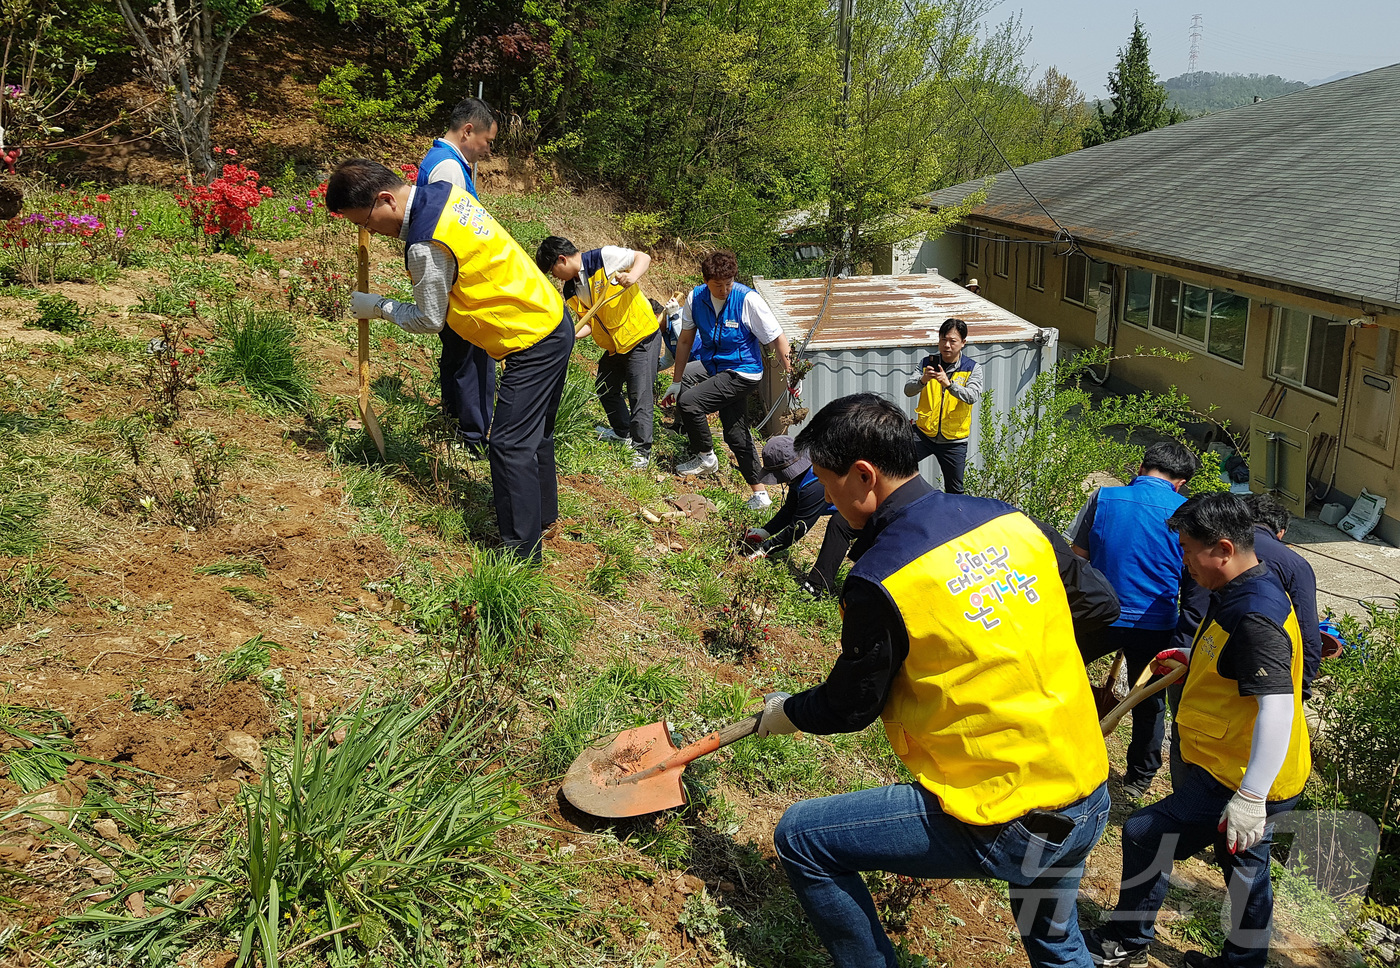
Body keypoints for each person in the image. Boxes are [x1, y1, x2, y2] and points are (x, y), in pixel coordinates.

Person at [759, 393, 1111, 968]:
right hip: (1084, 791)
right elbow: (1100, 603)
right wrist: (1012, 638)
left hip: (1004, 814)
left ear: (863, 476)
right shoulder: (1011, 521)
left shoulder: (881, 577)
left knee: (802, 838)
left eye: (826, 482)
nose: (824, 498)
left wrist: (786, 712)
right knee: (1054, 941)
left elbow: (851, 707)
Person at [1084, 493, 1311, 968]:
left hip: (1241, 771)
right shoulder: (1243, 587)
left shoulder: (1255, 615)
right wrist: (1194, 659)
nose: (1183, 561)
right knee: (1243, 864)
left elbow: (1278, 707)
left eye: (1188, 549)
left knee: (1147, 833)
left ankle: (1127, 941)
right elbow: (1234, 660)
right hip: (1243, 762)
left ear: (1224, 549)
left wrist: (1250, 797)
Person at [331, 159, 571, 563]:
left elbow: (429, 319)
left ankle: (521, 556)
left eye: (367, 222)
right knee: (536, 433)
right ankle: (544, 516)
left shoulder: (426, 242)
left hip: (532, 340)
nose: (368, 232)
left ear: (386, 199)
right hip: (550, 315)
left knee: (509, 445)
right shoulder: (444, 194)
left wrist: (378, 306)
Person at [1070, 440, 1201, 801]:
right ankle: (1139, 779)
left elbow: (1077, 558)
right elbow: (1193, 577)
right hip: (1156, 621)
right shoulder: (1188, 511)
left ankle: (1062, 746)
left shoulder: (1103, 498)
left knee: (1062, 675)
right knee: (1148, 700)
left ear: (1141, 468)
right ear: (1180, 482)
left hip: (1099, 614)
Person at [660, 250, 792, 511]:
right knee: (735, 433)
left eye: (728, 283)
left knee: (689, 402)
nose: (724, 290)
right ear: (706, 281)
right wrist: (676, 381)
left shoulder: (747, 300)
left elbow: (777, 338)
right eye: (718, 285)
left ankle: (706, 458)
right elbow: (685, 340)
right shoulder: (696, 298)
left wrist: (791, 374)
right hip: (716, 368)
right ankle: (761, 495)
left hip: (744, 372)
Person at [417, 98, 500, 457]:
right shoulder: (449, 169)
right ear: (468, 130)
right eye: (488, 140)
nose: (488, 149)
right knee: (474, 360)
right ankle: (473, 436)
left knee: (456, 356)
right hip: (459, 282)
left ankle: (455, 424)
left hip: (451, 280)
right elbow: (447, 234)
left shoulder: (441, 163)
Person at [535, 236, 659, 468]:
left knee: (639, 394)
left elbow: (643, 257)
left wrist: (632, 277)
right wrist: (566, 335)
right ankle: (624, 433)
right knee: (606, 386)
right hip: (615, 345)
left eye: (553, 271)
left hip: (640, 335)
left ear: (562, 259)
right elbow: (589, 323)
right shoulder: (571, 289)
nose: (555, 277)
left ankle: (642, 451)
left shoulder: (603, 258)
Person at [743, 436, 856, 597]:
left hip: (874, 508)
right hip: (852, 507)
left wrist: (766, 548)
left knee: (840, 524)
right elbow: (790, 509)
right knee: (840, 522)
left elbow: (798, 528)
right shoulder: (801, 477)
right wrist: (766, 531)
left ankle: (816, 587)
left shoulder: (814, 485)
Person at [1243, 493, 1322, 699]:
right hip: (1270, 675)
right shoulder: (1295, 564)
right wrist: (1303, 686)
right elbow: (1307, 632)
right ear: (1281, 532)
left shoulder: (1211, 549)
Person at [902, 317, 982, 494]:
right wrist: (923, 380)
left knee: (955, 489)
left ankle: (954, 519)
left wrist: (949, 384)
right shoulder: (926, 363)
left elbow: (972, 396)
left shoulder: (972, 368)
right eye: (943, 339)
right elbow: (908, 390)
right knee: (897, 467)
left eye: (952, 341)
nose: (947, 345)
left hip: (954, 440)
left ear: (963, 343)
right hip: (924, 433)